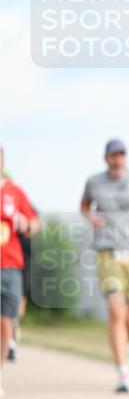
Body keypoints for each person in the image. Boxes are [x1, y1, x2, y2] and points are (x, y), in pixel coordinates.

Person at [80, 139, 129, 393]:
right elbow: (84, 205)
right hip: (107, 250)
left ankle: (127, 344)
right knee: (116, 310)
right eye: (113, 155)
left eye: (121, 154)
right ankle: (123, 372)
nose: (117, 159)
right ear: (106, 158)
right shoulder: (94, 181)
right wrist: (91, 216)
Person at [1, 146, 41, 378]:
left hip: (10, 264)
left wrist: (27, 226)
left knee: (6, 320)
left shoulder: (15, 192)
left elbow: (35, 223)